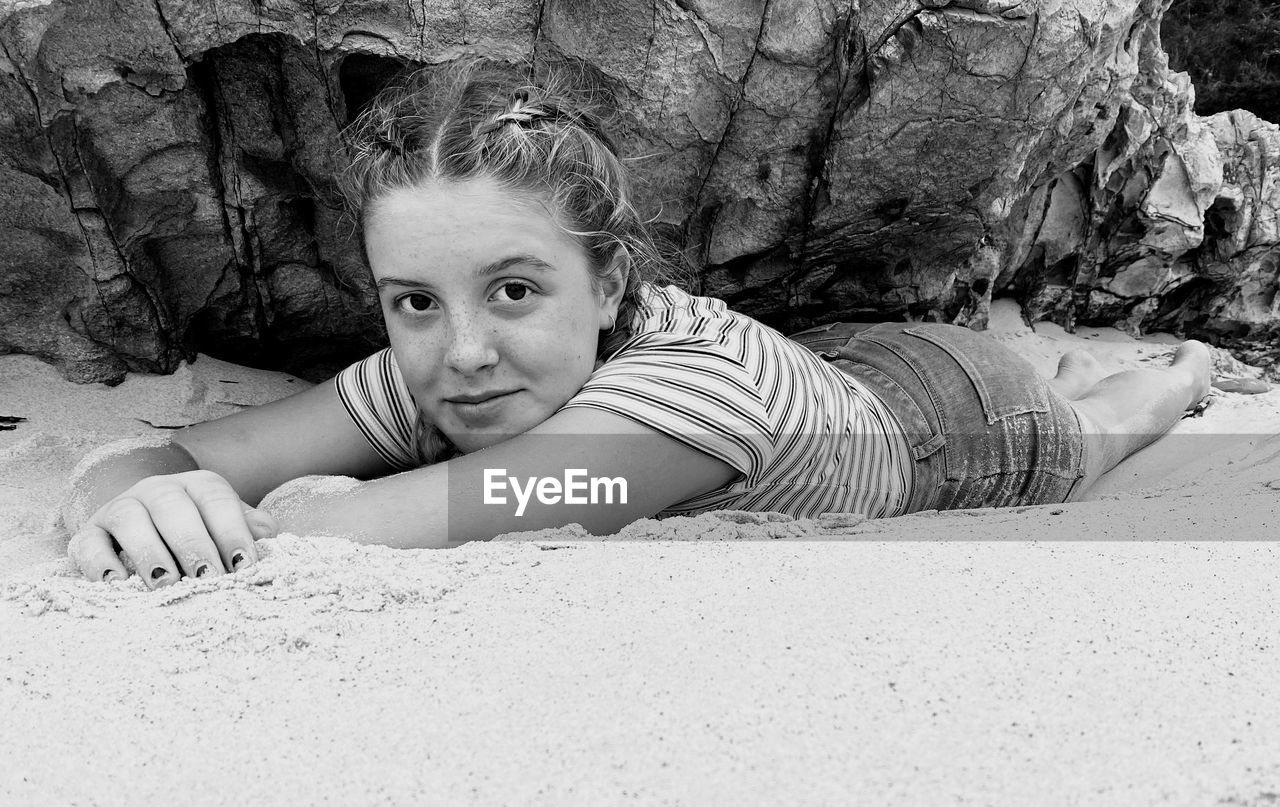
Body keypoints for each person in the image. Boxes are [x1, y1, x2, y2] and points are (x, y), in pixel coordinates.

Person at [64, 57, 1212, 588]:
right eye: (415, 300)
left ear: (608, 284)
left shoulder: (675, 406)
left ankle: (1179, 366)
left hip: (951, 415)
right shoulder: (445, 370)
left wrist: (204, 513)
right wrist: (142, 489)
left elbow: (401, 518)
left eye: (514, 290)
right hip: (812, 377)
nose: (459, 350)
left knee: (1100, 421)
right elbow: (145, 460)